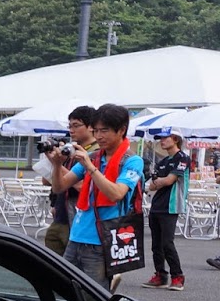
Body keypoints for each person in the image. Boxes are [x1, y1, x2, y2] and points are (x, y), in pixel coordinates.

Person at [53, 103, 142, 290]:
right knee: (66, 292)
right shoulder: (93, 156)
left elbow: (117, 193)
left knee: (94, 298)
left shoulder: (132, 161)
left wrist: (90, 167)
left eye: (105, 130)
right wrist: (55, 164)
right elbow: (60, 186)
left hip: (102, 240)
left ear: (121, 130)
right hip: (76, 236)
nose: (99, 136)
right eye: (96, 130)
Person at [42, 106, 97, 257]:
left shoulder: (95, 154)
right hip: (60, 212)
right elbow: (47, 182)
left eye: (76, 125)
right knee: (52, 260)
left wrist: (57, 164)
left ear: (91, 127)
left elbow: (84, 186)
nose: (71, 130)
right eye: (69, 126)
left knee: (74, 265)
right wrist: (52, 161)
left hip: (79, 216)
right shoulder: (70, 150)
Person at [145, 132, 190, 289]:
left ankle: (177, 276)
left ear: (176, 139)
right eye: (160, 139)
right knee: (156, 244)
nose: (162, 141)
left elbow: (169, 180)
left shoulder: (182, 158)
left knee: (167, 243)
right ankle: (160, 275)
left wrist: (159, 181)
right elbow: (151, 185)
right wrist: (159, 182)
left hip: (171, 206)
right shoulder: (163, 161)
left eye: (165, 138)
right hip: (156, 205)